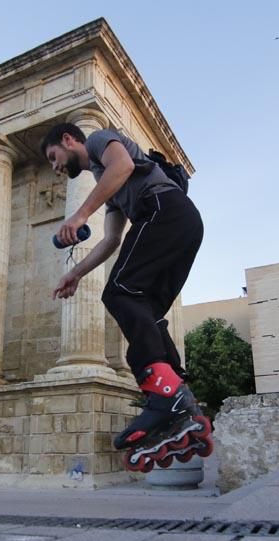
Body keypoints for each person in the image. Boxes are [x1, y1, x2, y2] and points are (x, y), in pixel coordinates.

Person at [40, 123, 210, 470]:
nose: (54, 166)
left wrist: (81, 213)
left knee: (119, 292)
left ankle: (164, 395)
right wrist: (74, 273)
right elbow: (110, 241)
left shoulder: (102, 140)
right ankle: (180, 401)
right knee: (145, 311)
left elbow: (124, 166)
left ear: (69, 141)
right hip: (182, 223)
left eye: (53, 156)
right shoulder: (113, 191)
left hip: (165, 211)